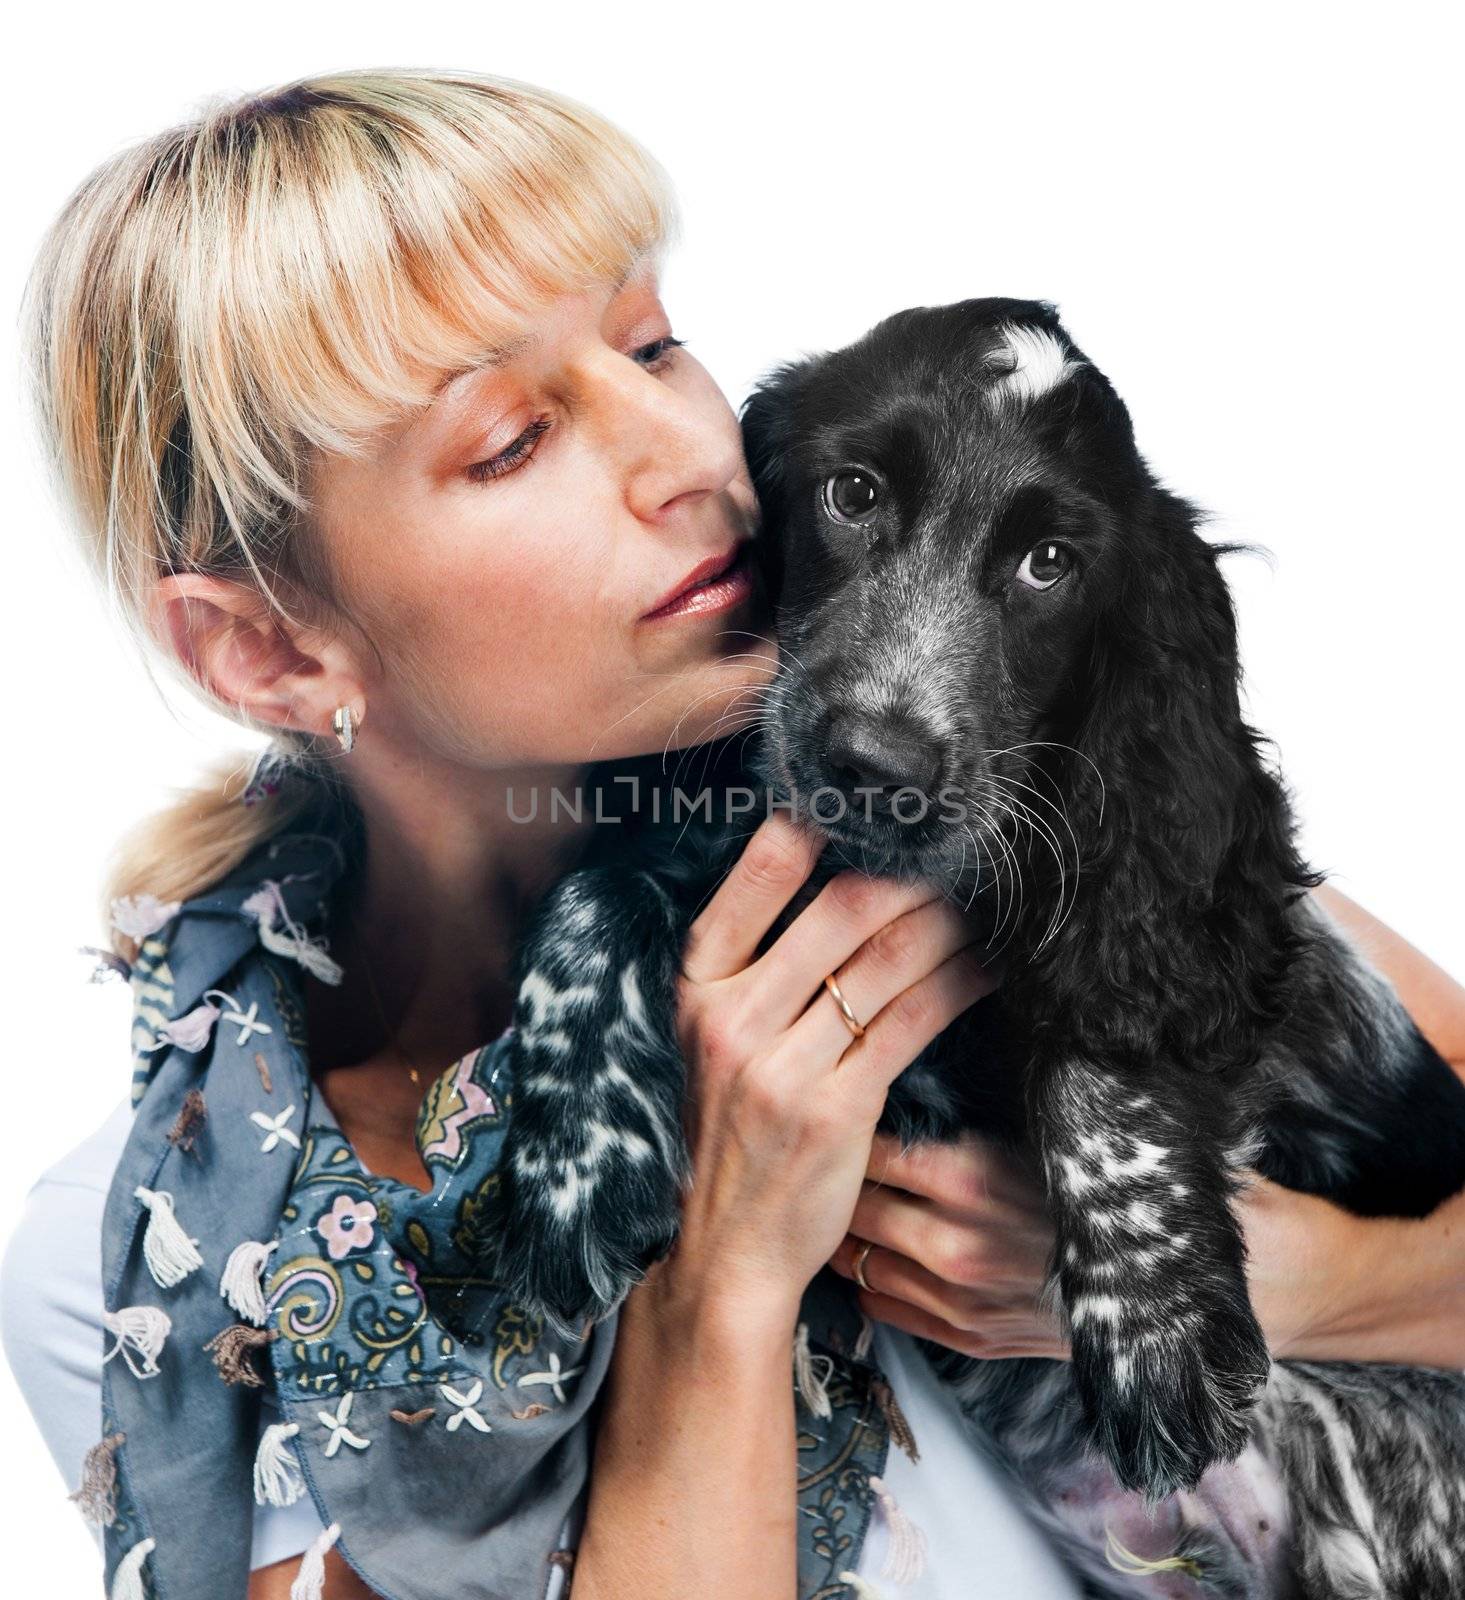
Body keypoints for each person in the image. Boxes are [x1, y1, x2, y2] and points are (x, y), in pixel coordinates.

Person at [2, 67, 1462, 1600]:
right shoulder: (142, 1277)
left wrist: (1308, 1279)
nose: (689, 458)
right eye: (511, 440)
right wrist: (722, 1277)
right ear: (272, 654)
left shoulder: (951, 796)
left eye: (650, 341)